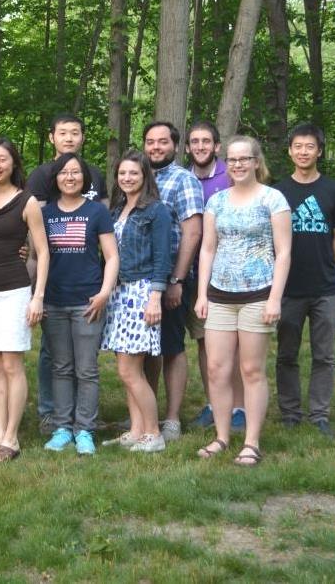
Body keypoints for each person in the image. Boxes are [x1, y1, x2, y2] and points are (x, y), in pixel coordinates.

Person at [195, 136, 291, 465]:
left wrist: (275, 298)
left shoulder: (272, 199)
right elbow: (207, 249)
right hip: (220, 294)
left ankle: (251, 441)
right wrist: (202, 294)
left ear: (255, 161)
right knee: (216, 369)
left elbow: (284, 253)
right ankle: (222, 437)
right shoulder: (216, 203)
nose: (238, 165)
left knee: (251, 369)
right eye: (233, 160)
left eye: (244, 159)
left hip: (258, 295)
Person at [25, 113, 109, 436]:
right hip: (51, 276)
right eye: (63, 133)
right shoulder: (41, 175)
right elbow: (35, 227)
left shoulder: (94, 175)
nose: (70, 138)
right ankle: (52, 413)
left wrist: (101, 280)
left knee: (86, 360)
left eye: (76, 132)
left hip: (86, 280)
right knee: (53, 353)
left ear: (83, 137)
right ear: (52, 138)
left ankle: (83, 419)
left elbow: (102, 221)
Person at [0, 137, 48, 461]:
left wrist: (37, 296)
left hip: (15, 291)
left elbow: (43, 252)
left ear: (14, 163)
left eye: (3, 159)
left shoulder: (26, 201)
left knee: (13, 365)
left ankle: (12, 439)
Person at [41, 153, 118, 455]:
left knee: (86, 370)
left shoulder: (97, 212)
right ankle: (62, 427)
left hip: (88, 301)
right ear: (56, 178)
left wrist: (104, 293)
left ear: (84, 178)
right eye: (64, 172)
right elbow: (37, 257)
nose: (69, 177)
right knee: (60, 367)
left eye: (75, 172)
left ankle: (85, 429)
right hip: (54, 302)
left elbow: (111, 256)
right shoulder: (45, 213)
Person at [274, 123, 335, 439]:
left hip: (325, 288)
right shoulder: (277, 192)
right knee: (286, 353)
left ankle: (319, 415)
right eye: (298, 146)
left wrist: (328, 268)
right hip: (287, 287)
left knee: (324, 355)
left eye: (310, 147)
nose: (303, 152)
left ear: (319, 151)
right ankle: (290, 413)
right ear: (290, 151)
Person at [101, 150, 170, 453]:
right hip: (119, 293)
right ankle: (136, 430)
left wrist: (155, 297)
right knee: (128, 370)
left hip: (142, 293)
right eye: (122, 173)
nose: (127, 178)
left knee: (130, 370)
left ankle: (154, 434)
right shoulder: (117, 210)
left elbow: (162, 257)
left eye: (134, 173)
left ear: (145, 176)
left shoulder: (156, 210)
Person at [142, 121, 203, 442]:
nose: (156, 147)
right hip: (141, 279)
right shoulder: (138, 176)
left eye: (162, 142)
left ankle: (172, 419)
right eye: (150, 142)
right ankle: (146, 412)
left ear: (176, 147)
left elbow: (192, 232)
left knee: (172, 348)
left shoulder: (184, 180)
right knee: (147, 348)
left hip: (172, 278)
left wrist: (178, 279)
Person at [184, 120, 244, 432]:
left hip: (230, 275)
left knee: (233, 345)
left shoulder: (232, 176)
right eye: (195, 142)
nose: (200, 146)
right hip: (194, 275)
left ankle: (240, 408)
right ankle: (213, 404)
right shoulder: (185, 179)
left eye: (206, 141)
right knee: (206, 344)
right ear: (187, 147)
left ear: (216, 146)